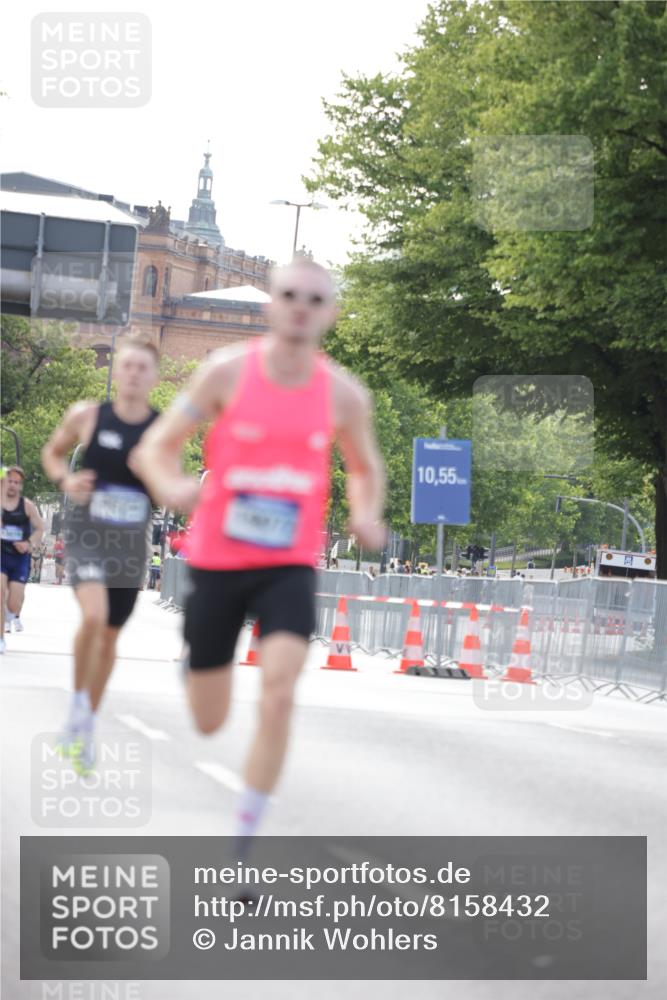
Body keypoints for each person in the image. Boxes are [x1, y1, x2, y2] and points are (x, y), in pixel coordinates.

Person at [133, 257, 386, 853]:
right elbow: (156, 447)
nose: (301, 306)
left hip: (288, 563)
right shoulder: (226, 374)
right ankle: (199, 659)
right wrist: (172, 488)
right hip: (218, 559)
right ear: (272, 305)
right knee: (209, 718)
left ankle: (244, 838)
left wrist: (366, 513)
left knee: (278, 692)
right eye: (291, 295)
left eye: (315, 299)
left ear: (330, 314)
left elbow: (365, 468)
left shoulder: (345, 394)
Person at [41, 336, 160, 771]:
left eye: (142, 367)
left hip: (131, 540)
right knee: (92, 616)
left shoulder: (163, 430)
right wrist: (65, 481)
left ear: (153, 376)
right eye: (127, 365)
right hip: (88, 531)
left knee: (110, 634)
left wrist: (155, 475)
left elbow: (170, 485)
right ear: (117, 370)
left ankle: (85, 721)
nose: (133, 373)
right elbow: (52, 453)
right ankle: (76, 705)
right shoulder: (88, 416)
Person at [1, 466, 44, 650]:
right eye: (10, 481)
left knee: (14, 604)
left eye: (16, 482)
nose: (12, 485)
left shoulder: (27, 506)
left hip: (19, 559)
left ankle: (11, 616)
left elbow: (40, 528)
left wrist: (28, 543)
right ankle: (1, 638)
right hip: (1, 555)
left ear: (21, 486)